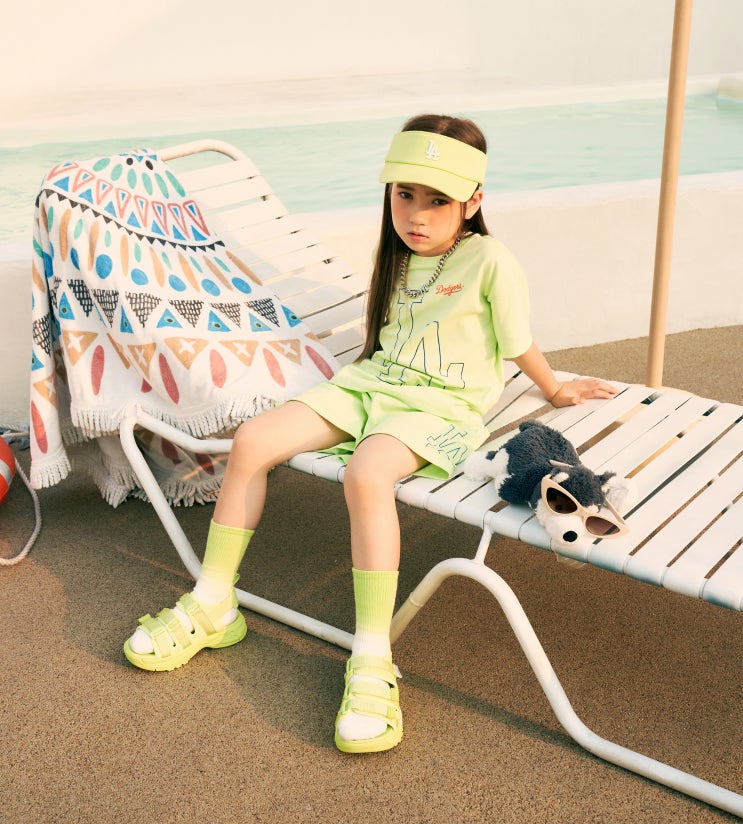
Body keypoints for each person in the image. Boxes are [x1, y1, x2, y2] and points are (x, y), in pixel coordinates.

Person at [123, 113, 617, 753]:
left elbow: (517, 339)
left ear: (473, 202)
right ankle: (214, 601)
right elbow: (385, 341)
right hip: (369, 387)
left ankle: (373, 654)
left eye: (437, 200)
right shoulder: (397, 257)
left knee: (367, 473)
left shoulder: (490, 259)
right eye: (404, 194)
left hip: (439, 409)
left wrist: (553, 389)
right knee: (251, 441)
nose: (416, 214)